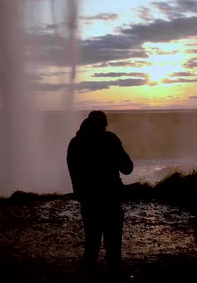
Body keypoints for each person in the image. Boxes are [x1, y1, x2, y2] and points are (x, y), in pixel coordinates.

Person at [66, 110, 133, 272]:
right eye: (105, 123)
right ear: (103, 124)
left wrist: (80, 192)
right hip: (111, 198)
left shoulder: (75, 143)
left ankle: (89, 274)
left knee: (92, 242)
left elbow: (73, 173)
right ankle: (113, 274)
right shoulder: (110, 139)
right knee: (113, 243)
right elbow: (127, 168)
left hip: (89, 200)